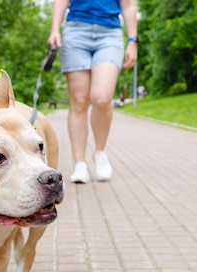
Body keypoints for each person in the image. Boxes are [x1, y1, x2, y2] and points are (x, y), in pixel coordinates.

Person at [47, 0, 138, 183]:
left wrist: (132, 41)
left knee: (102, 98)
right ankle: (79, 163)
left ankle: (100, 153)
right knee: (79, 101)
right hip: (75, 31)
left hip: (110, 33)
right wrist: (55, 28)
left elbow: (128, 5)